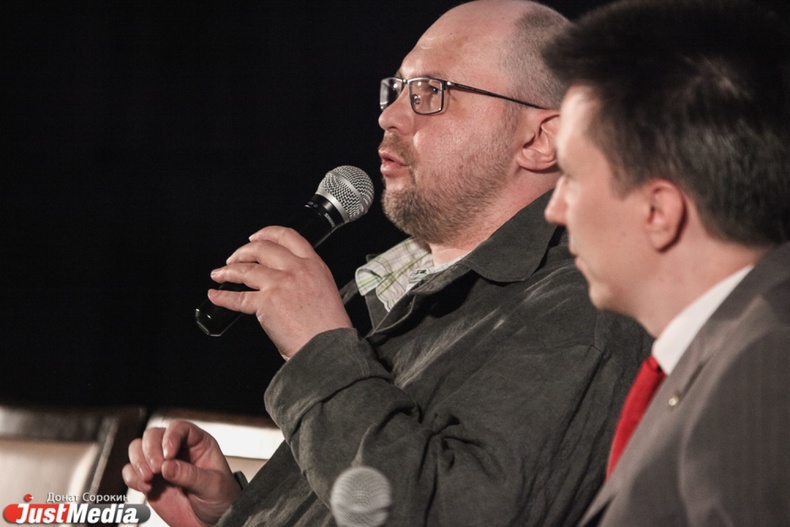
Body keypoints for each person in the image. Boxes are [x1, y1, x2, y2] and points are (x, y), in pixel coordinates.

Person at [123, 1, 651, 525]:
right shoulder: (395, 290)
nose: (389, 115)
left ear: (539, 140)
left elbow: (451, 515)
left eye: (430, 92)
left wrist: (317, 348)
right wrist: (238, 513)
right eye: (397, 89)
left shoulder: (581, 311)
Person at [541, 0, 790, 525]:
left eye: (571, 178)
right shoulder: (731, 350)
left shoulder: (766, 363)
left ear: (658, 211)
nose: (554, 209)